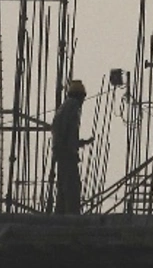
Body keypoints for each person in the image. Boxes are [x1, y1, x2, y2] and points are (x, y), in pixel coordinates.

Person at [51, 79, 93, 214]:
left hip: (61, 153)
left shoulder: (63, 108)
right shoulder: (73, 107)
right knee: (72, 187)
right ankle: (72, 217)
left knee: (63, 187)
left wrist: (81, 143)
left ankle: (60, 215)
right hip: (67, 154)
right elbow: (69, 134)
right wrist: (73, 148)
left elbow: (64, 133)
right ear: (79, 96)